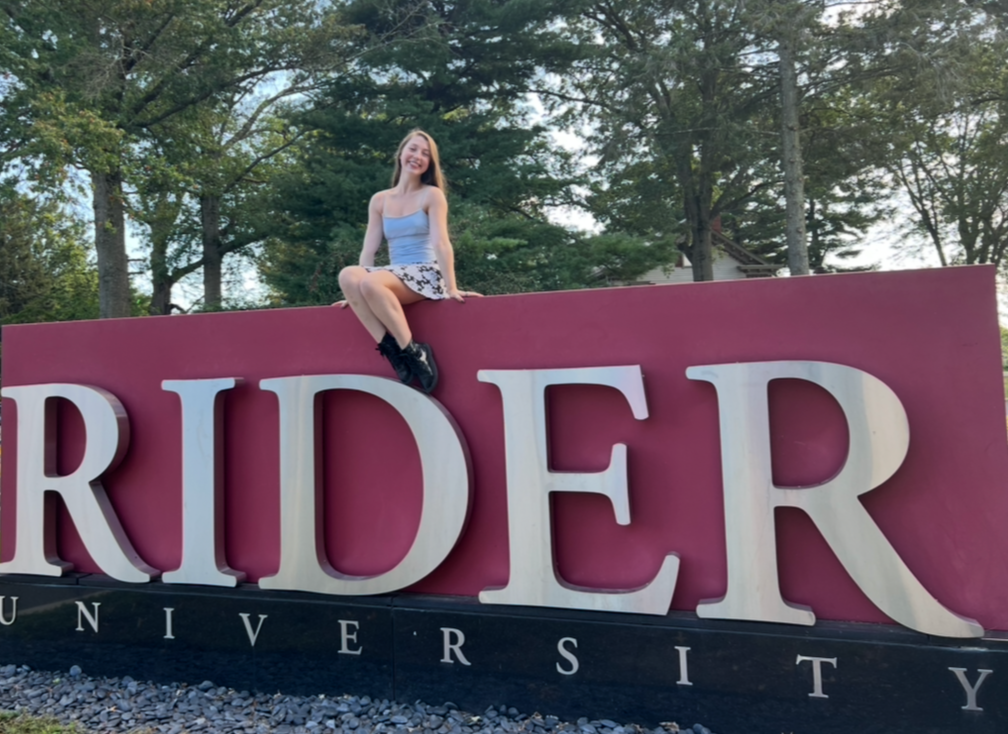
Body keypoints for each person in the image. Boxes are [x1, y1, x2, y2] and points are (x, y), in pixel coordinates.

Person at [335, 129, 480, 393]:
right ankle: (390, 350)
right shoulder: (380, 199)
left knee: (371, 284)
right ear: (401, 153)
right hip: (392, 273)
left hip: (425, 272)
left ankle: (414, 351)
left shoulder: (431, 195)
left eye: (425, 154)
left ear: (430, 163)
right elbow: (369, 248)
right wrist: (352, 293)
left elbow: (441, 243)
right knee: (348, 275)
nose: (417, 156)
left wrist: (451, 287)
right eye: (413, 149)